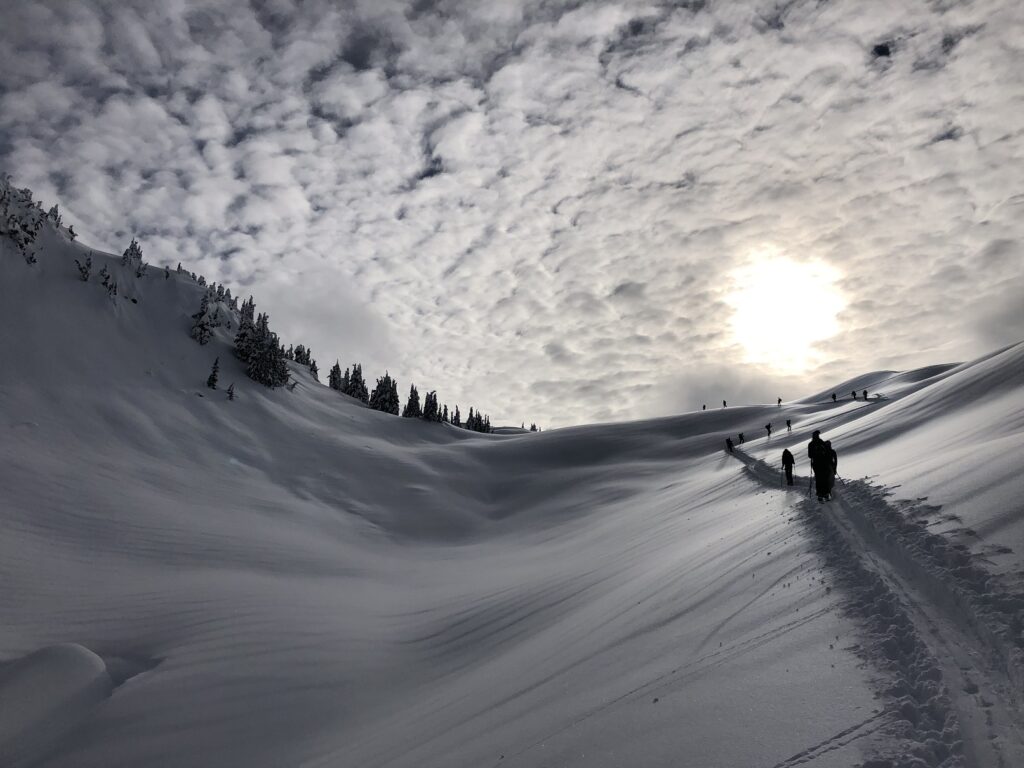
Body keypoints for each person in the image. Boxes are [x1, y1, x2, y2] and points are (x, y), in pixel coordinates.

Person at [807, 430, 832, 502]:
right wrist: (817, 452)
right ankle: (823, 495)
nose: (817, 436)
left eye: (817, 435)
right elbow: (810, 455)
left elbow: (826, 452)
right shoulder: (814, 444)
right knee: (821, 479)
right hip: (819, 464)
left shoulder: (815, 443)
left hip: (820, 464)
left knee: (821, 479)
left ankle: (823, 494)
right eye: (817, 435)